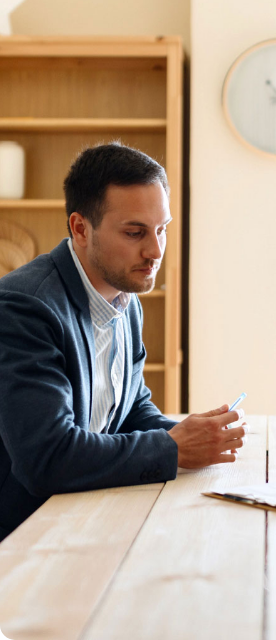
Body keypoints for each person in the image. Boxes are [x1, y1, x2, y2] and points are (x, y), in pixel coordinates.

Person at [0, 143, 247, 541]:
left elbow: (129, 407)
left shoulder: (123, 298)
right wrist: (172, 448)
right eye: (135, 232)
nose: (154, 251)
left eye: (161, 229)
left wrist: (196, 435)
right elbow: (45, 458)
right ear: (80, 228)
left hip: (84, 517)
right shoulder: (24, 307)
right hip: (24, 538)